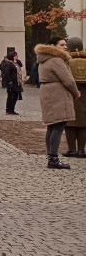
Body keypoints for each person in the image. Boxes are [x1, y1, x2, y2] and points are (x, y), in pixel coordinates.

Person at [35, 37, 79, 169]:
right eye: (62, 44)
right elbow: (68, 80)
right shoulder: (56, 59)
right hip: (58, 94)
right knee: (59, 126)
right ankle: (53, 159)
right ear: (53, 46)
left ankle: (51, 156)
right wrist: (76, 93)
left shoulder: (44, 58)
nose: (65, 47)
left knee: (52, 126)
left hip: (48, 92)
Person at [64, 37, 86, 158]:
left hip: (70, 95)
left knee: (69, 122)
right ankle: (82, 150)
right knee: (83, 123)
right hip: (85, 96)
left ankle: (71, 149)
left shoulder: (66, 61)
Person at [0, 48, 24, 116]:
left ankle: (12, 109)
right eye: (15, 55)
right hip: (12, 83)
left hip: (17, 82)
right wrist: (9, 82)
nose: (16, 56)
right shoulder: (9, 64)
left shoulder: (15, 63)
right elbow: (6, 74)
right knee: (11, 96)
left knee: (15, 96)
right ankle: (9, 110)